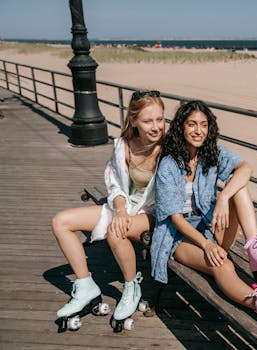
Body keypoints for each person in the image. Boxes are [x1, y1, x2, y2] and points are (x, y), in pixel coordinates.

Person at [151, 100, 257, 338]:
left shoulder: (210, 154)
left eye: (203, 125)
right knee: (222, 264)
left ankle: (256, 252)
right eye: (192, 124)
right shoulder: (169, 164)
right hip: (180, 237)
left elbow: (246, 168)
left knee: (239, 186)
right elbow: (175, 218)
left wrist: (223, 199)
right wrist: (206, 244)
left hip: (211, 226)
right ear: (181, 127)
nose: (198, 130)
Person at [51, 89, 165, 329]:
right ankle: (86, 286)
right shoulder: (123, 145)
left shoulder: (169, 149)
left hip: (153, 214)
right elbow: (113, 185)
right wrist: (121, 210)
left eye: (160, 119)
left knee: (117, 231)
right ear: (133, 121)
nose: (156, 127)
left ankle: (131, 286)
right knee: (60, 222)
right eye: (147, 121)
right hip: (123, 209)